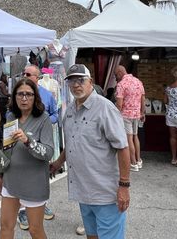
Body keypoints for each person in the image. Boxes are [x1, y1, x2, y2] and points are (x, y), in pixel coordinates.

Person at [50, 64, 131, 239]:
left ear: (90, 82)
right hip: (83, 192)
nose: (76, 84)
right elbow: (72, 142)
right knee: (92, 236)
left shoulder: (105, 108)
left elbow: (123, 147)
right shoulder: (71, 110)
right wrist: (58, 163)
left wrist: (124, 186)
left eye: (81, 80)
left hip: (105, 194)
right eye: (72, 80)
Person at [0, 78, 54, 239]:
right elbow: (6, 150)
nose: (24, 98)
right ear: (14, 96)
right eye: (20, 94)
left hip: (34, 183)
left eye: (28, 94)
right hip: (11, 181)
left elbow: (48, 153)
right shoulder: (11, 117)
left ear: (35, 97)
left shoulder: (43, 119)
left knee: (35, 230)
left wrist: (28, 141)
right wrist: (0, 175)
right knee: (6, 226)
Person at [17, 65, 58, 229]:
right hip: (21, 142)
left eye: (28, 74)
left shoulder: (47, 95)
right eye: (23, 73)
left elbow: (55, 113)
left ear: (37, 77)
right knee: (21, 172)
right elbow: (10, 113)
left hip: (43, 141)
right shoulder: (18, 93)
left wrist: (45, 123)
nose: (24, 75)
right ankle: (22, 210)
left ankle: (41, 203)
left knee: (42, 172)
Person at [115, 66, 145, 172]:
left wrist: (115, 115)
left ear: (119, 73)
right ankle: (139, 159)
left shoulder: (121, 84)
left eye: (115, 75)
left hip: (125, 115)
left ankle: (133, 162)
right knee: (135, 137)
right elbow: (143, 98)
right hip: (136, 114)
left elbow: (119, 104)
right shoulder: (138, 82)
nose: (116, 77)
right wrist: (143, 112)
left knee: (129, 139)